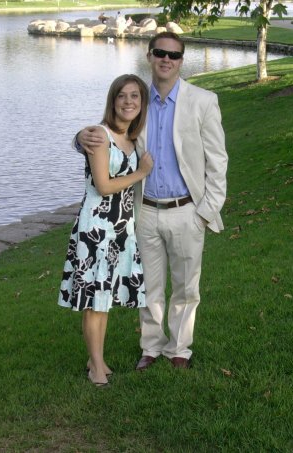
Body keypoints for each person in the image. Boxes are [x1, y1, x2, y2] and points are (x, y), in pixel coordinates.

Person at [76, 32, 228, 371]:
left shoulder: (203, 101)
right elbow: (109, 132)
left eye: (173, 55)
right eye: (160, 52)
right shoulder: (139, 101)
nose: (166, 60)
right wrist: (79, 137)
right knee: (149, 287)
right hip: (144, 211)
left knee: (186, 287)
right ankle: (151, 347)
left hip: (187, 211)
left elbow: (218, 161)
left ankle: (180, 349)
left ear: (181, 60)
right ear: (149, 56)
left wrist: (206, 211)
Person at [58, 74, 154, 387]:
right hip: (96, 229)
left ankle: (95, 358)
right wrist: (141, 172)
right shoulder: (100, 136)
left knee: (104, 299)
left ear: (142, 103)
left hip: (121, 229)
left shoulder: (133, 139)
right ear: (112, 101)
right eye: (122, 96)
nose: (128, 102)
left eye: (135, 96)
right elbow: (103, 185)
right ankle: (96, 367)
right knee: (93, 301)